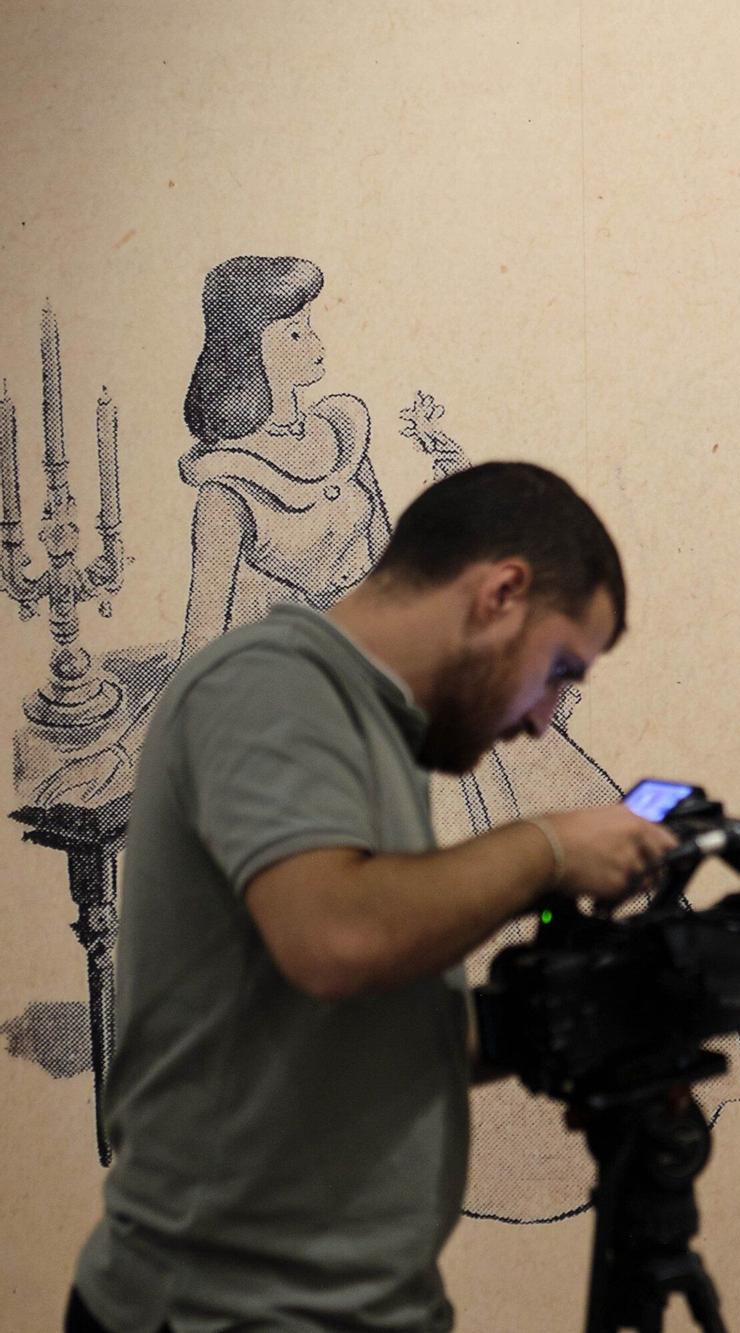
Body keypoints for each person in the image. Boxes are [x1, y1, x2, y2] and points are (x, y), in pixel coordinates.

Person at [67, 462, 675, 1332]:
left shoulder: (366, 729)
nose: (547, 717)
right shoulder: (273, 687)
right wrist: (549, 846)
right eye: (558, 668)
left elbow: (329, 1037)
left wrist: (547, 1022)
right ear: (501, 593)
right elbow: (336, 938)